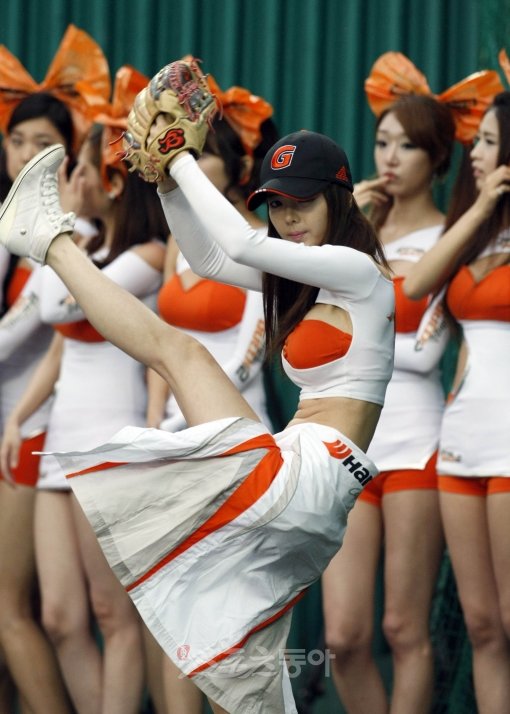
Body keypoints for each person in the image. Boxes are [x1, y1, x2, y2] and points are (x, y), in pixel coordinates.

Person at [0, 59, 395, 714]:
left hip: (308, 478)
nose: (287, 217)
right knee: (242, 670)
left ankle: (49, 240)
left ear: (340, 197)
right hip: (296, 488)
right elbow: (209, 259)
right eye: (276, 204)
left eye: (301, 202)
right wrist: (164, 181)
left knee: (181, 354)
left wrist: (177, 156)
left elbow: (238, 245)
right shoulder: (302, 277)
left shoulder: (360, 271)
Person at [321, 52, 504, 714]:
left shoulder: (454, 234)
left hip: (419, 440)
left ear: (439, 158)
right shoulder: (354, 230)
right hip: (348, 439)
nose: (390, 158)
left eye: (407, 145)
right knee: (342, 638)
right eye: (381, 142)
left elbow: (421, 347)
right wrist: (346, 232)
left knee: (404, 628)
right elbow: (317, 330)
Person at [0, 66, 168, 714]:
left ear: (115, 182)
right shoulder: (84, 247)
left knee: (109, 611)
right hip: (58, 442)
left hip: (109, 441)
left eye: (82, 170)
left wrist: (59, 222)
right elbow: (59, 339)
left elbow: (56, 306)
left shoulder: (147, 256)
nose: (72, 180)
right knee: (61, 617)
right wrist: (19, 415)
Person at [145, 76, 279, 714]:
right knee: (171, 605)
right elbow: (160, 340)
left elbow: (249, 361)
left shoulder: (259, 244)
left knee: (225, 612)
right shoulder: (180, 236)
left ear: (235, 165)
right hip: (172, 439)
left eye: (202, 153)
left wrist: (185, 416)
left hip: (232, 435)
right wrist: (155, 424)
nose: (189, 160)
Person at [0, 25, 110, 714]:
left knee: (21, 610)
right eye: (17, 141)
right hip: (16, 428)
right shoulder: (10, 230)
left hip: (38, 430)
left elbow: (26, 330)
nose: (25, 156)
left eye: (43, 144)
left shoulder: (76, 237)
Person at [401, 85, 510, 713]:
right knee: (483, 625)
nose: (476, 153)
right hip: (462, 442)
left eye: (489, 142)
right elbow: (417, 283)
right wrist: (484, 205)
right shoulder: (476, 229)